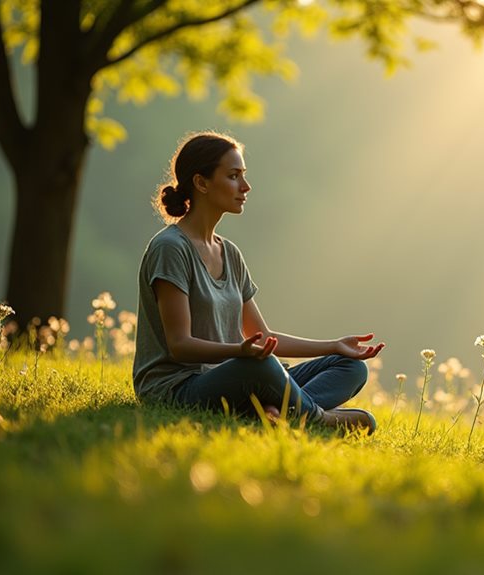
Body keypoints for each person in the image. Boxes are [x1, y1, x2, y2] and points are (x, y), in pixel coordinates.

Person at [131, 131, 382, 433]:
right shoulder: (170, 248)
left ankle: (276, 412)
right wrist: (240, 352)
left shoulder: (230, 254)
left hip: (239, 377)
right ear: (201, 183)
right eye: (234, 176)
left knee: (350, 367)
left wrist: (335, 346)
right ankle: (314, 419)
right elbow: (180, 345)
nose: (246, 187)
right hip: (178, 389)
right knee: (262, 368)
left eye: (243, 176)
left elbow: (262, 337)